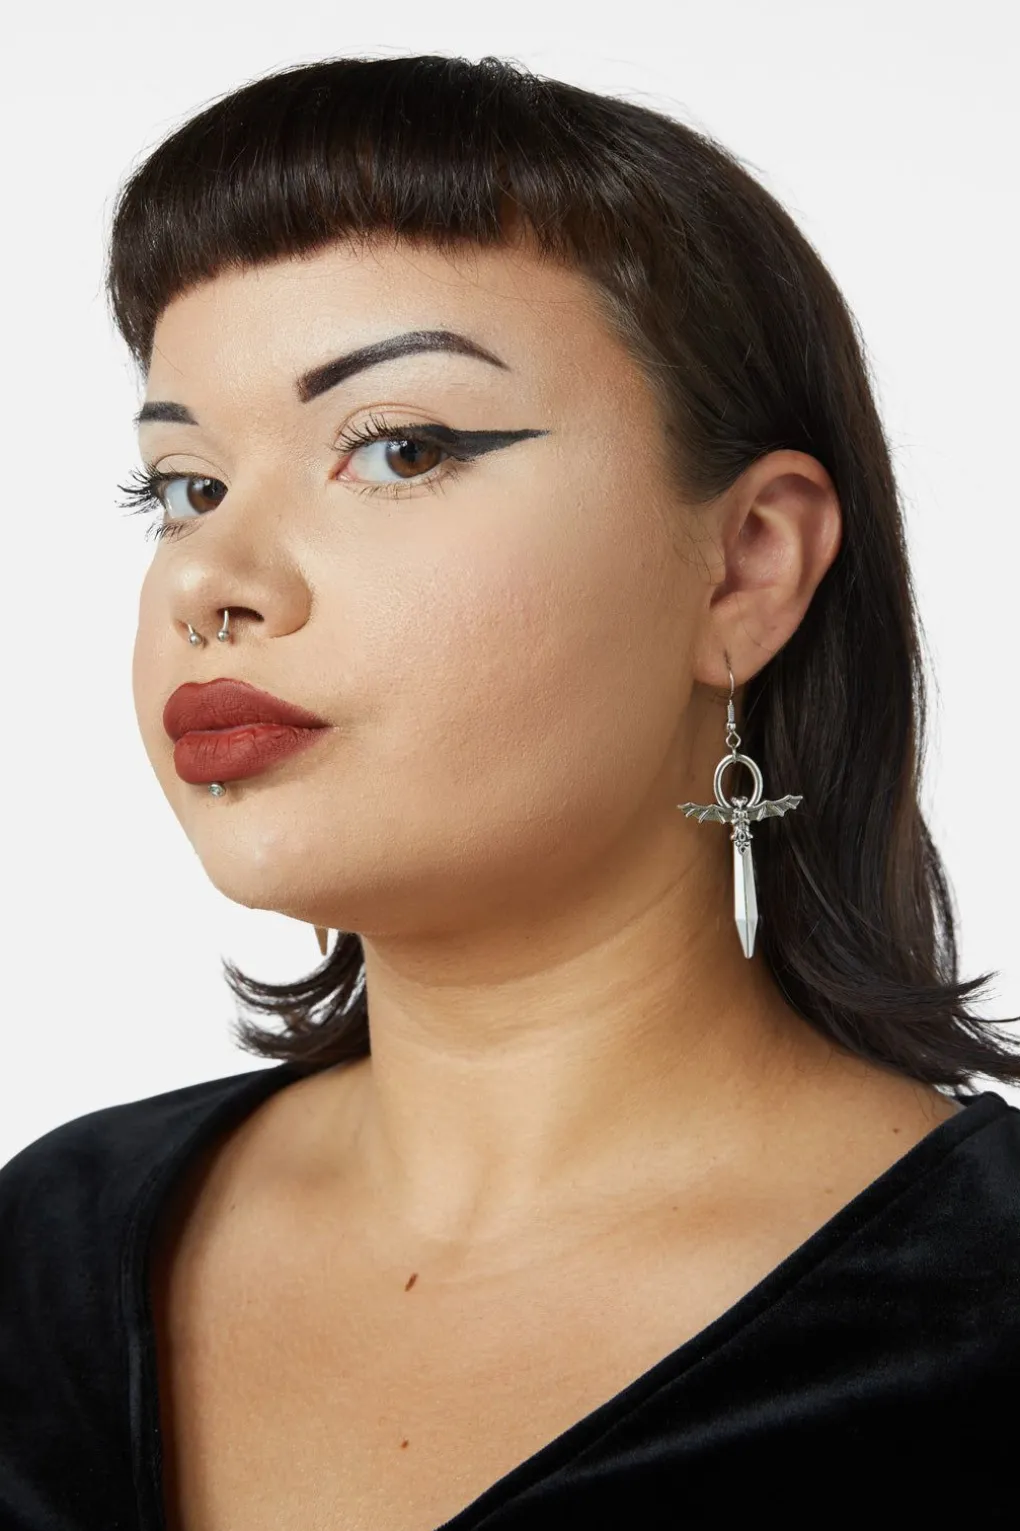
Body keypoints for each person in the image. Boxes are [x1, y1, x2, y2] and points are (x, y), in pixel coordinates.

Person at [2, 52, 1019, 1531]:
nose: (210, 578)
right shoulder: (43, 1247)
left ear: (747, 566)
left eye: (399, 448)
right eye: (185, 487)